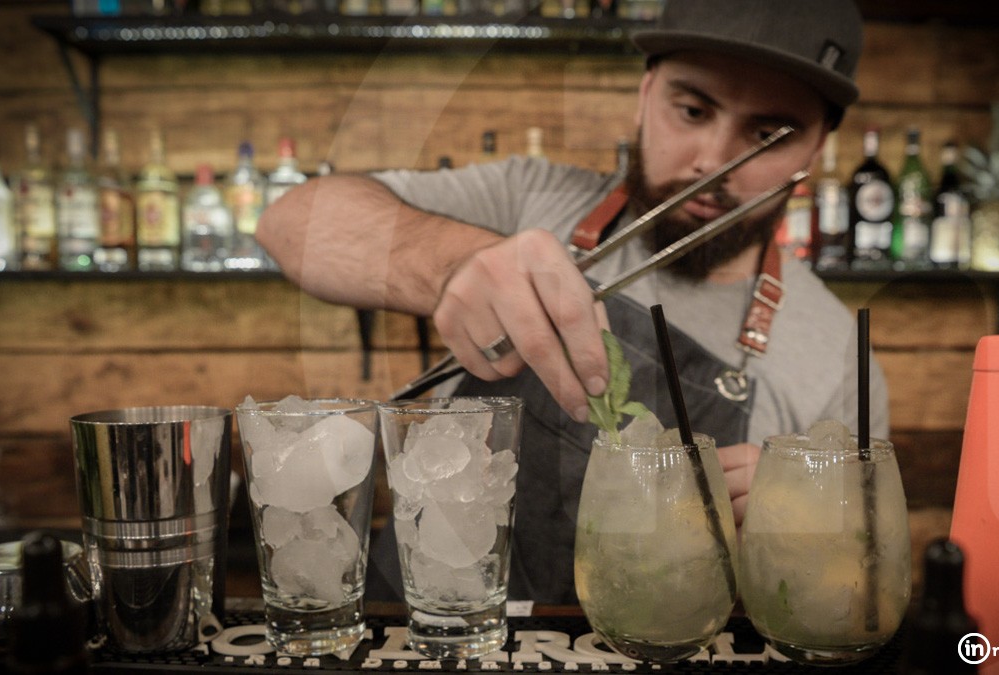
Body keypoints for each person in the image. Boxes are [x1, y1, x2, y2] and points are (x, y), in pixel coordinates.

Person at [257, 0, 889, 605]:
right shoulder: (529, 199)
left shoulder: (837, 360)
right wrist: (451, 263)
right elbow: (290, 222)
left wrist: (795, 544)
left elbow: (856, 597)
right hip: (429, 629)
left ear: (817, 149)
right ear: (646, 94)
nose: (713, 162)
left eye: (768, 134)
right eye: (693, 110)